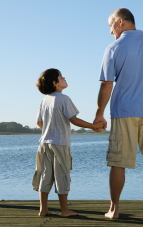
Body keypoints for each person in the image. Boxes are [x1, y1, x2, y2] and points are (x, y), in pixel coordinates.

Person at [93, 8, 143, 220]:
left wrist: (99, 114)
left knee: (118, 162)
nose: (110, 31)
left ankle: (114, 210)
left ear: (120, 22)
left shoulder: (113, 48)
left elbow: (107, 85)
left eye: (110, 26)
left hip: (124, 112)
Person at [33, 68, 104, 217]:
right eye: (61, 77)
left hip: (44, 143)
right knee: (62, 175)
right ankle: (65, 210)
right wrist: (94, 126)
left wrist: (49, 130)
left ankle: (43, 209)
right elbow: (74, 119)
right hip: (60, 143)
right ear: (55, 83)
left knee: (45, 175)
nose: (64, 78)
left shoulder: (44, 100)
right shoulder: (63, 99)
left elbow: (38, 122)